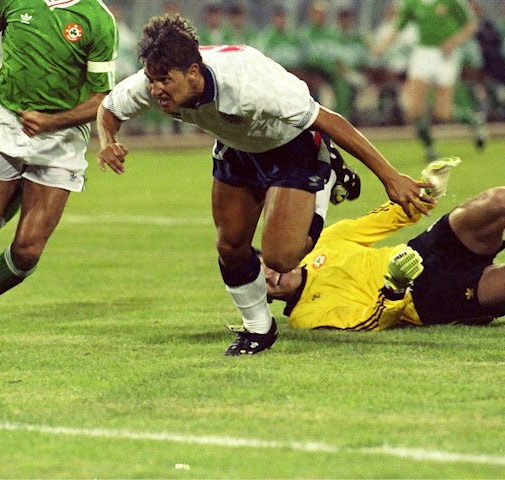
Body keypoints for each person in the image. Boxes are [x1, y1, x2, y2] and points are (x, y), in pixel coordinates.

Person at [96, 14, 433, 355]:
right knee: (230, 246)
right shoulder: (151, 82)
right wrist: (107, 141)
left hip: (293, 146)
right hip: (236, 148)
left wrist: (390, 177)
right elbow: (109, 108)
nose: (156, 90)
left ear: (193, 72)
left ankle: (328, 175)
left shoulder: (250, 82)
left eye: (164, 81)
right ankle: (259, 330)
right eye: (152, 81)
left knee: (281, 257)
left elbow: (328, 119)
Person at [0, 0, 118, 330]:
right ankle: (23, 186)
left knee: (27, 250)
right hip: (10, 123)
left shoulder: (97, 18)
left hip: (62, 138)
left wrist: (52, 122)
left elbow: (102, 99)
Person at [265, 158, 505, 331]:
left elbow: (382, 220)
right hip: (425, 299)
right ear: (265, 298)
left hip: (423, 251)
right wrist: (395, 286)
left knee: (497, 200)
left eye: (263, 266)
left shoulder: (324, 242)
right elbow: (368, 320)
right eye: (262, 283)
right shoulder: (306, 317)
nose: (269, 275)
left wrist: (424, 189)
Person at [373, 0, 478, 161]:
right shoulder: (411, 4)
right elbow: (398, 26)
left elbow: (471, 26)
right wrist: (382, 46)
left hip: (446, 55)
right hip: (423, 53)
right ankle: (430, 148)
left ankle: (473, 119)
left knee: (442, 114)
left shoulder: (453, 2)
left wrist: (453, 42)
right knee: (413, 108)